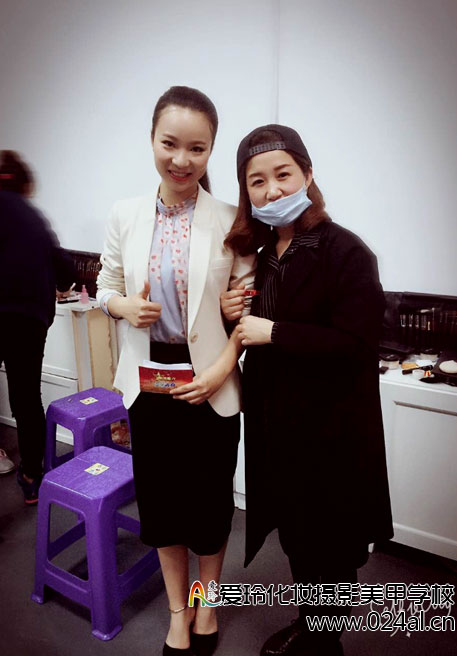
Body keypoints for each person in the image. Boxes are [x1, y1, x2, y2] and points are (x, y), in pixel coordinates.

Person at [222, 125, 393, 656]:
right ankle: (311, 622)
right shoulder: (263, 254)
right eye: (257, 182)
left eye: (283, 174)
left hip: (331, 430)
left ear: (307, 174)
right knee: (296, 533)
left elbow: (358, 345)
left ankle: (325, 637)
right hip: (278, 426)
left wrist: (274, 332)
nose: (272, 190)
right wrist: (234, 313)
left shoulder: (345, 251)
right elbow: (254, 328)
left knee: (331, 540)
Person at [96, 86, 255, 656]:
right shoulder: (125, 214)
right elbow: (106, 285)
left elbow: (246, 309)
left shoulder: (232, 219)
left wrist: (221, 364)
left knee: (210, 506)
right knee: (162, 508)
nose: (181, 160)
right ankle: (177, 613)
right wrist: (122, 307)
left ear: (211, 151)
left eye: (197, 148)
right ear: (152, 141)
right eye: (170, 144)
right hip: (149, 382)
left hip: (211, 381)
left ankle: (206, 605)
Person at [0, 150, 74, 503]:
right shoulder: (34, 218)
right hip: (29, 320)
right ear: (25, 183)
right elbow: (65, 269)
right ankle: (32, 477)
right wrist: (61, 286)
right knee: (27, 398)